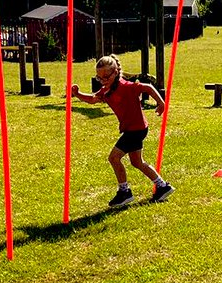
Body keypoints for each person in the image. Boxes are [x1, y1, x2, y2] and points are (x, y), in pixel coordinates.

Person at [70, 54, 175, 208]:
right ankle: (162, 186)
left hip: (136, 129)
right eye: (100, 78)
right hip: (134, 129)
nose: (104, 80)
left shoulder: (126, 86)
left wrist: (161, 103)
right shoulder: (106, 90)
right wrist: (78, 94)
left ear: (116, 72)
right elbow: (93, 99)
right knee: (137, 162)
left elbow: (148, 87)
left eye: (107, 76)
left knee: (114, 158)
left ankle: (124, 192)